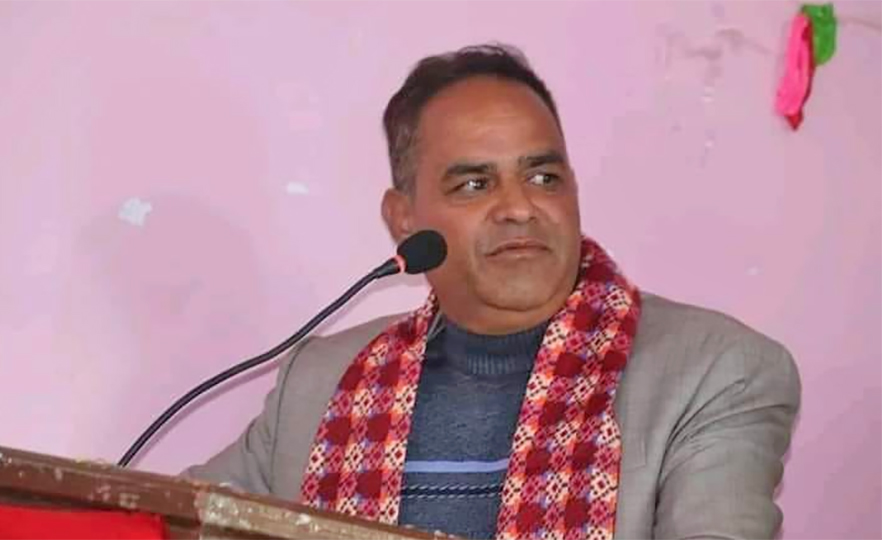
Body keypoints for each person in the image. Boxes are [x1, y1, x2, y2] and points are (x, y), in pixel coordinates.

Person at [184, 44, 801, 540]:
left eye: (543, 177)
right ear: (404, 219)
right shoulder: (320, 381)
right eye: (475, 185)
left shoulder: (715, 373)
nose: (519, 207)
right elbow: (171, 521)